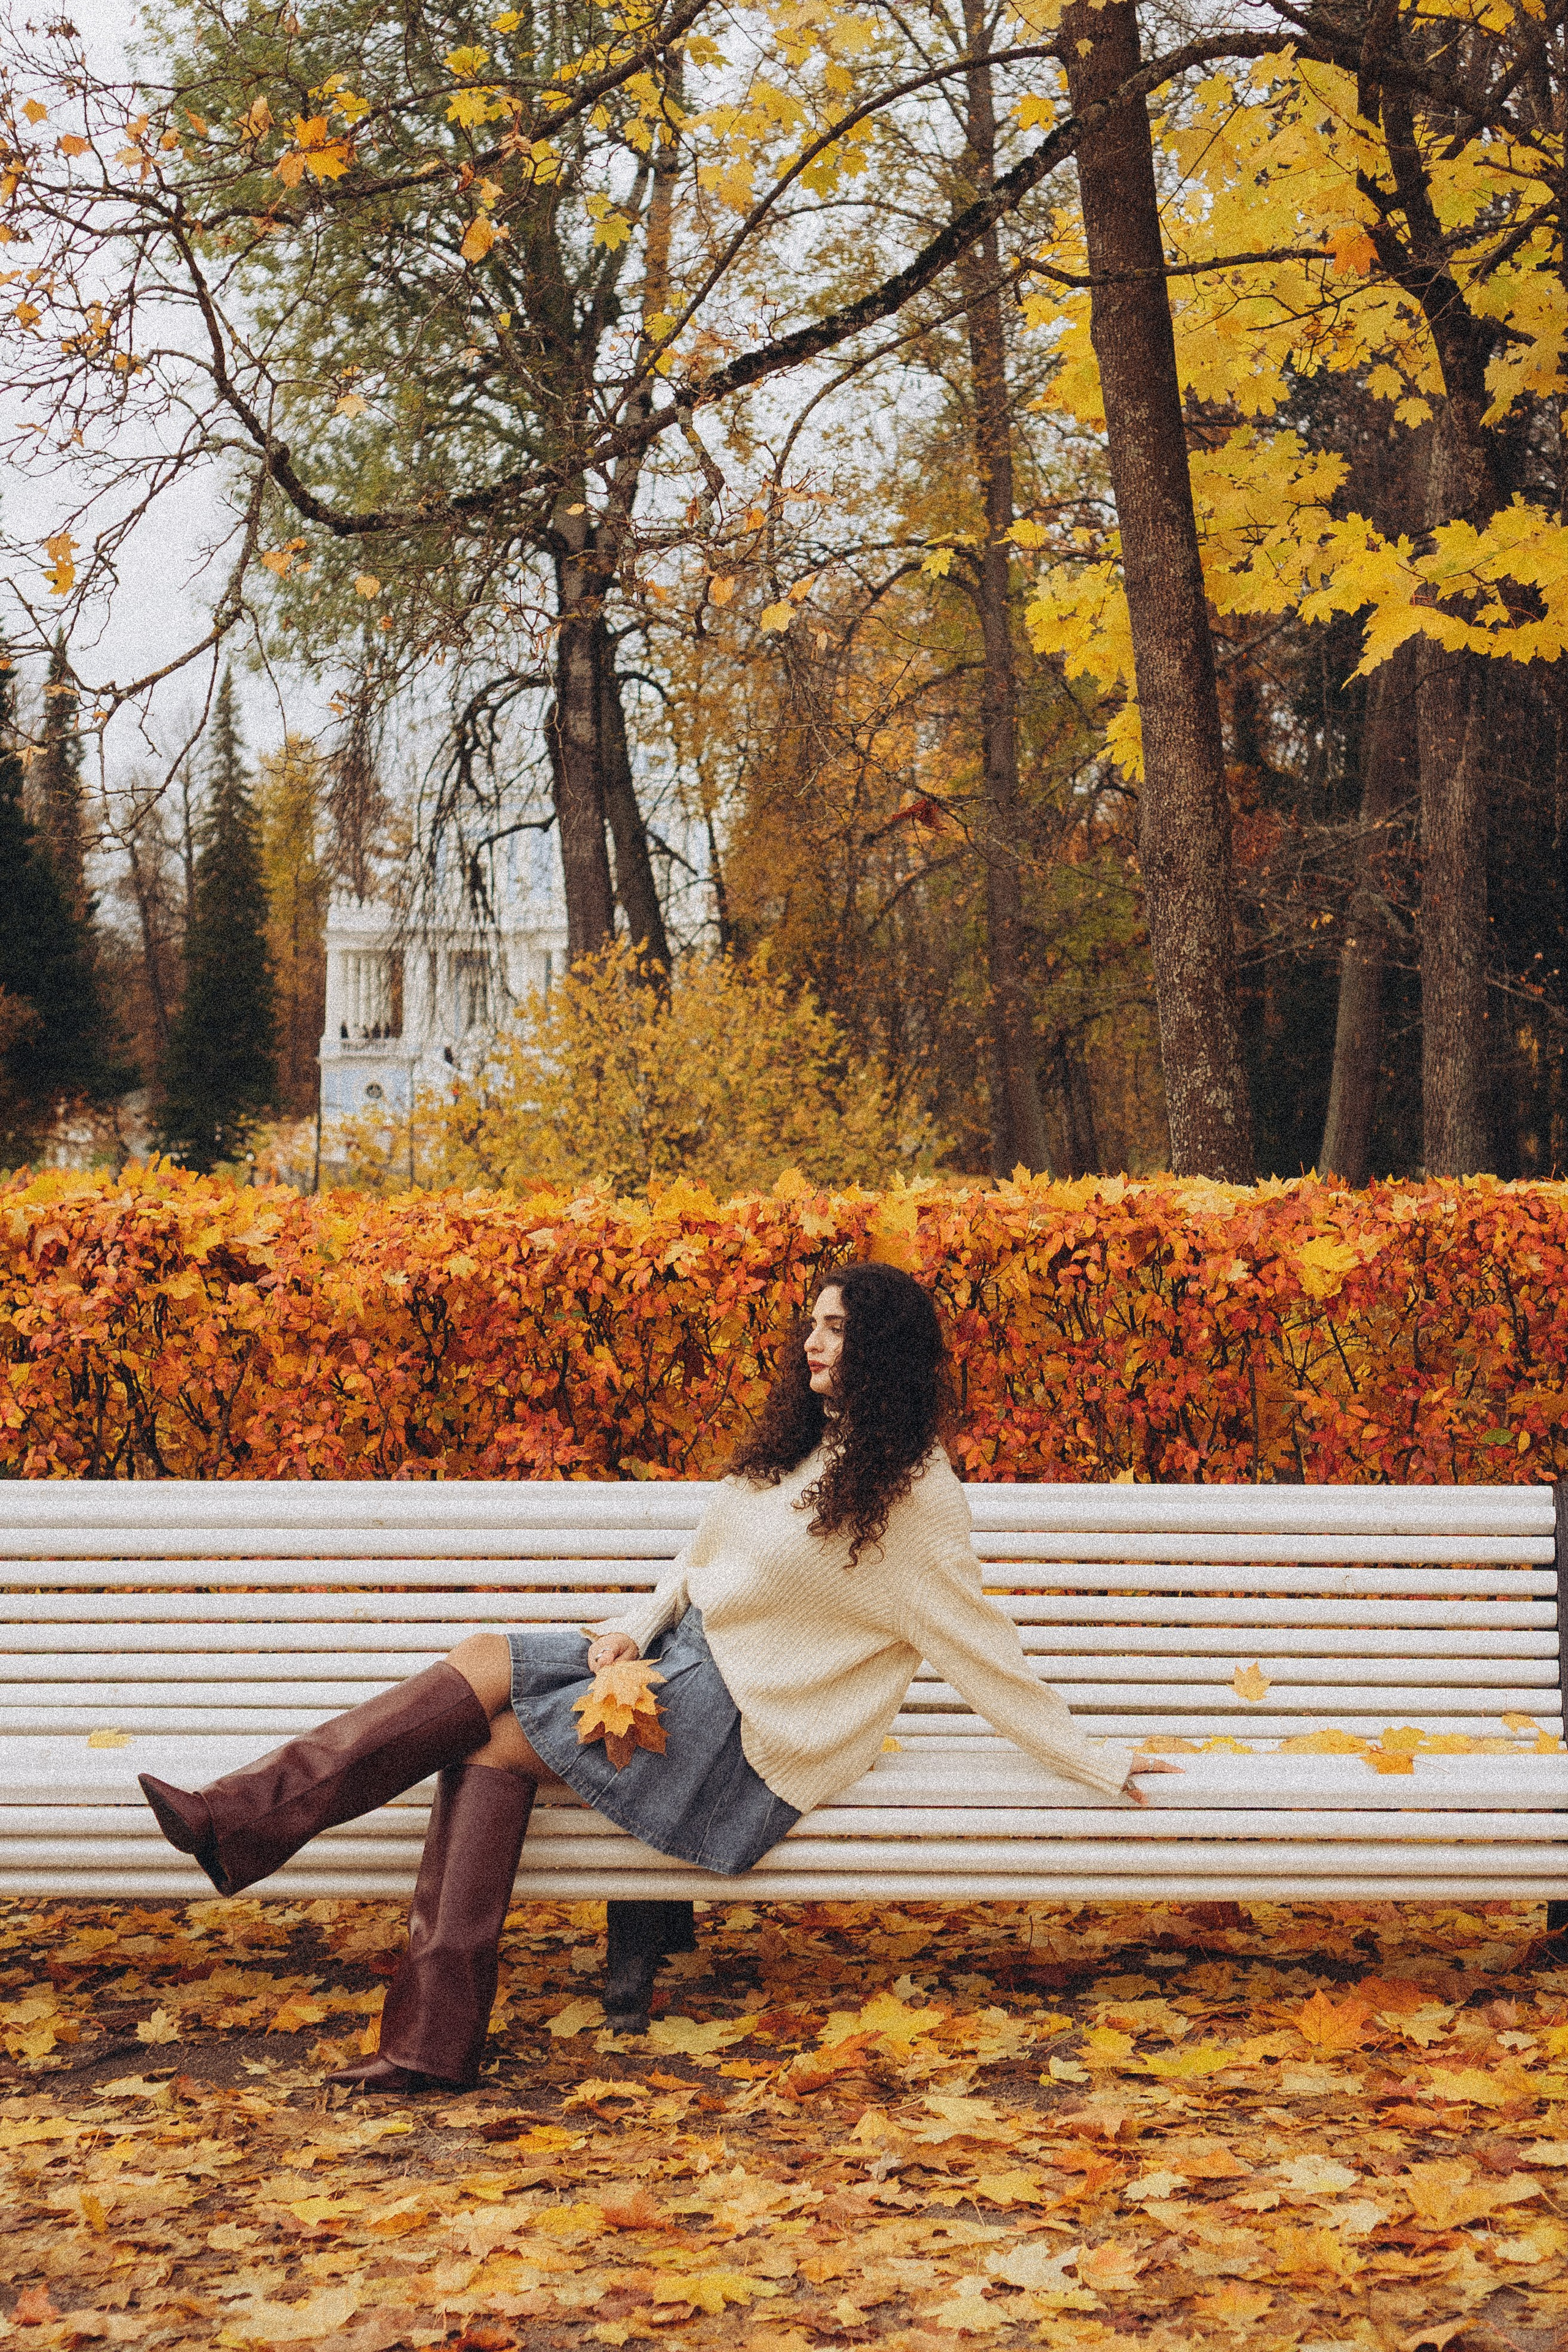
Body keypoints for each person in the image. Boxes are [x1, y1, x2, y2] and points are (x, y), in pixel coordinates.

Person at [138, 1261, 1178, 2094]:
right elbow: (697, 1566)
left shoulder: (913, 1496)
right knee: (483, 1658)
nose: (810, 1343)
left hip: (740, 1733)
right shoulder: (798, 1451)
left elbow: (980, 1648)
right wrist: (630, 1629)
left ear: (884, 1352)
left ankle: (420, 2034)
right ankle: (247, 1823)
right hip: (673, 1671)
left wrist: (1099, 1758)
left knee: (493, 1745)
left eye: (833, 1329)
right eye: (810, 1325)